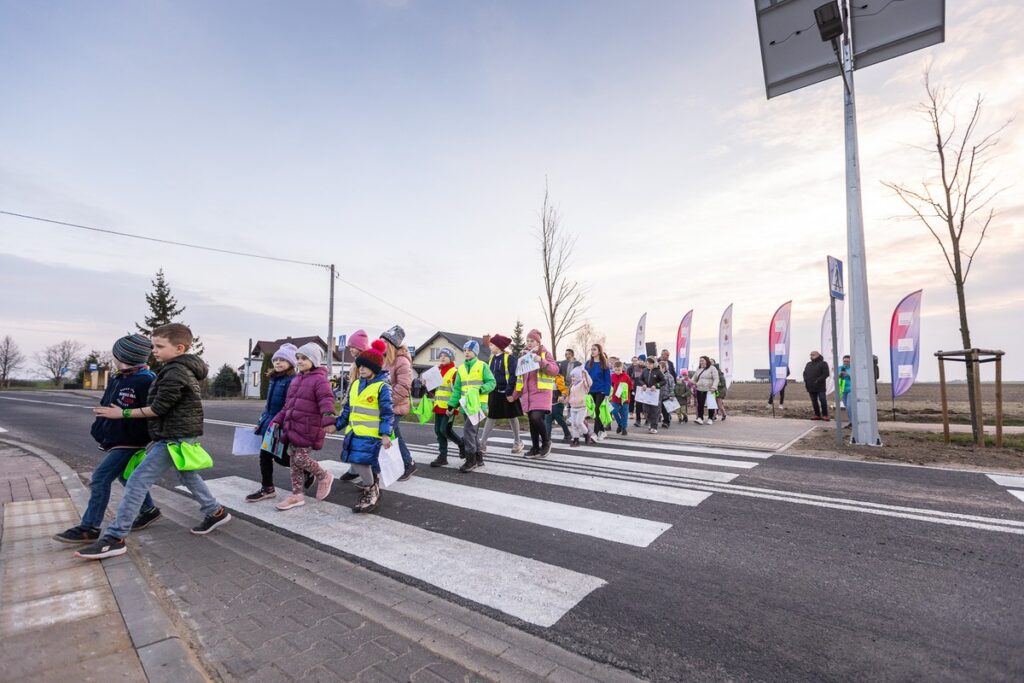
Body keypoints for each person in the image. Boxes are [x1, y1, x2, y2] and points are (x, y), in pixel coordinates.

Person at [76, 324, 231, 559]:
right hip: (176, 434)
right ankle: (216, 511)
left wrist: (122, 413)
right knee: (187, 476)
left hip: (174, 437)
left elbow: (158, 408)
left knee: (137, 480)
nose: (154, 351)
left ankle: (115, 538)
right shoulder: (175, 368)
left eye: (159, 346)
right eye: (153, 345)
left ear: (179, 348)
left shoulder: (176, 372)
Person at [54, 334, 160, 543]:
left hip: (131, 439)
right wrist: (101, 429)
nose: (113, 358)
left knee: (101, 478)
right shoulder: (119, 377)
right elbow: (106, 405)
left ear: (123, 356)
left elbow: (153, 410)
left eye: (114, 354)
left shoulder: (145, 380)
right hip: (117, 437)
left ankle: (89, 527)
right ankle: (149, 510)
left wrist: (130, 422)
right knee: (126, 477)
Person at [270, 342, 337, 510]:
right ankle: (297, 495)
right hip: (293, 426)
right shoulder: (296, 379)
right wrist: (277, 420)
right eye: (298, 358)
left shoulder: (320, 380)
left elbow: (326, 400)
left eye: (304, 358)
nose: (299, 361)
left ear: (314, 361)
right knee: (294, 463)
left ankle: (324, 475)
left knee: (301, 458)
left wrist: (328, 419)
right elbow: (288, 405)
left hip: (308, 427)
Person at [334, 340, 393, 513]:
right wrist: (336, 426)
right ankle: (372, 487)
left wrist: (385, 434)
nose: (361, 369)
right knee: (359, 461)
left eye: (366, 366)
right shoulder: (355, 384)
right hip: (353, 432)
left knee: (360, 462)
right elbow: (348, 410)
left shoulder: (382, 387)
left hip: (371, 434)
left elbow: (387, 413)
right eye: (360, 366)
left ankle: (371, 491)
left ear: (375, 368)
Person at [245, 343, 302, 502]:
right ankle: (268, 488)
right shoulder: (274, 379)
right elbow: (268, 406)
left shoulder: (292, 380)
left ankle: (307, 470)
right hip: (270, 422)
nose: (278, 362)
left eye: (282, 360)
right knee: (265, 455)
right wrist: (261, 421)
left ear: (291, 363)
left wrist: (280, 422)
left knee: (281, 458)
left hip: (281, 424)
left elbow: (289, 405)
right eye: (276, 359)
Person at [446, 340, 496, 472]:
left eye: (469, 350)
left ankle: (471, 459)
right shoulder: (461, 369)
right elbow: (457, 389)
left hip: (478, 405)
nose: (466, 352)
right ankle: (478, 458)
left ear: (476, 352)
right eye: (465, 350)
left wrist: (480, 389)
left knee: (468, 431)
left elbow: (492, 382)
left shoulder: (482, 366)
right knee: (473, 433)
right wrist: (452, 405)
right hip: (465, 405)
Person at [512, 329, 560, 458]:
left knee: (536, 417)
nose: (529, 343)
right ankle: (535, 448)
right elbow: (520, 378)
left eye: (532, 340)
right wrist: (514, 395)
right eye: (527, 340)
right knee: (532, 421)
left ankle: (546, 441)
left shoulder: (545, 354)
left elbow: (555, 370)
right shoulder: (523, 357)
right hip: (528, 394)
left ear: (538, 342)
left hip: (542, 393)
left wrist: (541, 361)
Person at [379, 325, 417, 481]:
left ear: (392, 344)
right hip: (385, 405)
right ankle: (408, 463)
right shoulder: (383, 359)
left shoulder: (402, 361)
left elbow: (403, 387)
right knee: (395, 435)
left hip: (395, 406)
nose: (381, 344)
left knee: (384, 435)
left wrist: (386, 402)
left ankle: (374, 472)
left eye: (384, 342)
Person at [480, 334, 524, 456]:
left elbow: (513, 376)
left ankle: (517, 442)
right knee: (491, 417)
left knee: (512, 416)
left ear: (499, 346)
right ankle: (482, 443)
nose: (490, 346)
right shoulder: (491, 359)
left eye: (492, 344)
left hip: (507, 393)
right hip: (494, 393)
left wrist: (510, 392)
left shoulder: (510, 358)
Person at [429, 348, 464, 468]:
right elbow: (435, 390)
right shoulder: (437, 371)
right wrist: (427, 385)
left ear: (451, 358)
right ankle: (442, 457)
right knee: (438, 431)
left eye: (445, 355)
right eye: (441, 355)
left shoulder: (455, 372)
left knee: (444, 430)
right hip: (439, 405)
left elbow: (458, 391)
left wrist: (454, 407)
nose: (442, 357)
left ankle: (461, 444)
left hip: (449, 408)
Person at [546, 349, 579, 443]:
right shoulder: (546, 378)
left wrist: (563, 396)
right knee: (548, 420)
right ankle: (547, 438)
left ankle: (567, 434)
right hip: (548, 403)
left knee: (559, 419)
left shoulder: (559, 378)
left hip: (558, 402)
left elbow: (565, 389)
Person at [585, 344, 612, 441]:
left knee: (597, 410)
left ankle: (595, 433)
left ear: (599, 351)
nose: (592, 351)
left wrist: (607, 393)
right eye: (591, 349)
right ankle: (603, 431)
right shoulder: (588, 363)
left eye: (594, 349)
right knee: (594, 412)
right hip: (591, 391)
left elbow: (608, 380)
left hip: (601, 390)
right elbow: (585, 377)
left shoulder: (604, 364)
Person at [636, 356, 665, 433]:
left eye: (651, 364)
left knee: (655, 410)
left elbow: (663, 381)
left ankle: (654, 427)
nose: (649, 365)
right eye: (648, 363)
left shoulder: (658, 371)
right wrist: (643, 384)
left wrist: (656, 385)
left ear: (654, 364)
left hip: (655, 394)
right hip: (646, 393)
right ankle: (650, 422)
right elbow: (640, 379)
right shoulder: (645, 370)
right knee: (646, 409)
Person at [567, 366, 594, 447]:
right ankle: (576, 440)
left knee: (579, 423)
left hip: (582, 407)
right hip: (573, 407)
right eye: (572, 376)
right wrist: (567, 400)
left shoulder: (583, 383)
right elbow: (570, 395)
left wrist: (586, 373)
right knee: (574, 424)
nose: (572, 378)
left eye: (574, 376)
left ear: (579, 376)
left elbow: (590, 383)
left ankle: (587, 434)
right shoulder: (572, 385)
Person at [803, 351, 831, 421]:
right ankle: (817, 415)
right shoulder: (808, 364)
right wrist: (806, 380)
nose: (811, 356)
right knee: (814, 401)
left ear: (818, 355)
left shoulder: (823, 363)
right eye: (810, 355)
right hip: (810, 386)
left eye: (813, 355)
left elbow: (826, 374)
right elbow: (804, 373)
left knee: (822, 400)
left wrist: (818, 380)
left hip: (820, 386)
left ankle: (825, 415)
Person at [692, 356, 720, 425]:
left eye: (702, 360)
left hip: (710, 389)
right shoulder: (698, 369)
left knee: (710, 404)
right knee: (700, 404)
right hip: (700, 389)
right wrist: (692, 383)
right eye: (700, 361)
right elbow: (694, 378)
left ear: (707, 361)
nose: (701, 362)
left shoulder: (712, 368)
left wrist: (714, 387)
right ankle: (700, 418)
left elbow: (716, 379)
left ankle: (710, 418)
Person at [609, 360, 633, 435]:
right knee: (614, 411)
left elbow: (631, 386)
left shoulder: (626, 377)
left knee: (624, 414)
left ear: (622, 369)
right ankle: (620, 424)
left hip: (624, 399)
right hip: (615, 398)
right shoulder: (612, 376)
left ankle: (624, 428)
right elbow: (610, 385)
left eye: (619, 370)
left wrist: (625, 388)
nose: (617, 371)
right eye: (615, 370)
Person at [628, 356, 646, 427]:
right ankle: (638, 420)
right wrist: (633, 386)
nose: (640, 362)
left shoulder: (647, 369)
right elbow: (633, 378)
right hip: (638, 389)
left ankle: (648, 420)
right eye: (639, 360)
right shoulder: (636, 369)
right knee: (638, 405)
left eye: (642, 360)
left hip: (646, 389)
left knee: (646, 405)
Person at [710, 357, 729, 421]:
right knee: (715, 404)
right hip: (715, 391)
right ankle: (714, 416)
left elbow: (723, 384)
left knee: (719, 404)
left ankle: (724, 414)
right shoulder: (711, 373)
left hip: (719, 391)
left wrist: (715, 384)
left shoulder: (720, 374)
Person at [658, 359, 675, 428]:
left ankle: (666, 421)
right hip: (659, 395)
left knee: (666, 409)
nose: (658, 370)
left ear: (664, 368)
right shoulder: (658, 376)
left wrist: (671, 395)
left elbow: (672, 386)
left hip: (666, 395)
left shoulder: (669, 376)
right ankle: (660, 419)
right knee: (659, 409)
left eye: (659, 368)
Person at [839, 354, 853, 429]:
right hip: (842, 388)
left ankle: (852, 423)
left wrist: (848, 375)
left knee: (849, 406)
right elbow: (835, 377)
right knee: (847, 406)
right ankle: (851, 422)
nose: (846, 363)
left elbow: (856, 378)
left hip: (851, 389)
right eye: (844, 361)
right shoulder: (840, 368)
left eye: (848, 361)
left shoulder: (853, 368)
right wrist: (839, 375)